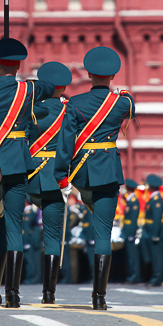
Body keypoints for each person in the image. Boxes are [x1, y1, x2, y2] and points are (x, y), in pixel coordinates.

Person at [0, 38, 55, 308]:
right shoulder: (27, 91)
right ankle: (13, 294)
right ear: (18, 64)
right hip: (18, 163)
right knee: (14, 228)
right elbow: (50, 88)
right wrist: (29, 83)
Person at [54, 46, 134, 310]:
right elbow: (129, 114)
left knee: (92, 219)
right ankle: (99, 297)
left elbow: (65, 144)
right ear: (113, 75)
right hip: (108, 171)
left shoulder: (74, 104)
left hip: (81, 173)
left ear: (88, 73)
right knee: (103, 233)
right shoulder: (123, 101)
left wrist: (60, 174)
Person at [28, 61, 71, 303]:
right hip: (57, 176)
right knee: (53, 236)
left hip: (29, 175)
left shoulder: (30, 107)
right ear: (64, 86)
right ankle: (49, 293)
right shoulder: (70, 109)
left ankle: (5, 290)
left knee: (11, 231)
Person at [144, 174, 163, 286]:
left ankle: (157, 278)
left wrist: (155, 234)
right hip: (150, 230)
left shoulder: (157, 200)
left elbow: (157, 219)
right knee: (153, 256)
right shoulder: (153, 198)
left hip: (153, 231)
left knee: (157, 256)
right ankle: (155, 276)